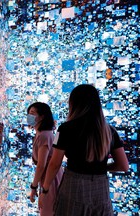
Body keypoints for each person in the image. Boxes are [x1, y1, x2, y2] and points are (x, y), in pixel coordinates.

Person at [41, 84, 129, 216]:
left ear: (73, 104)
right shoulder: (109, 131)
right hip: (101, 189)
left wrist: (45, 190)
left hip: (73, 186)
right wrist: (100, 167)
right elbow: (123, 166)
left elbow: (54, 164)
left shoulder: (65, 129)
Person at [27, 102, 63, 216]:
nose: (29, 116)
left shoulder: (44, 135)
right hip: (48, 177)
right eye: (28, 113)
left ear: (42, 117)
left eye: (32, 113)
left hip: (50, 179)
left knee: (47, 210)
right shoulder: (41, 134)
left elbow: (41, 165)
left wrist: (33, 186)